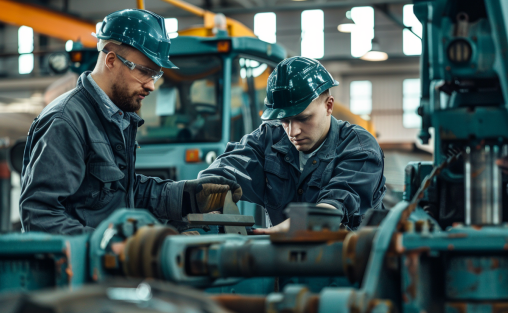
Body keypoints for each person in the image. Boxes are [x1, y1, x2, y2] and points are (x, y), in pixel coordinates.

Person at [19, 9, 241, 235]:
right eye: (145, 72)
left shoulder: (118, 117)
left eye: (155, 75)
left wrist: (185, 196)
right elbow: (39, 215)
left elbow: (123, 191)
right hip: (78, 268)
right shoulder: (66, 121)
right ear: (111, 60)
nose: (151, 86)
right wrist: (115, 249)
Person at [199, 56, 386, 233]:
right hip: (280, 260)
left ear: (329, 106)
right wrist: (209, 201)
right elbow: (225, 170)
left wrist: (292, 228)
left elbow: (336, 203)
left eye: (303, 118)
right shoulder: (268, 140)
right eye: (285, 121)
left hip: (353, 262)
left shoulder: (359, 147)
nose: (292, 132)